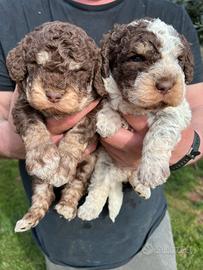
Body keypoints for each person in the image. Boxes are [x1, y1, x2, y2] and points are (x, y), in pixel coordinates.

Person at [0, 0, 203, 269]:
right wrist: (25, 139)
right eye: (137, 58)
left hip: (146, 227)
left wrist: (178, 151)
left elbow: (198, 105)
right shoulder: (10, 11)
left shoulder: (169, 12)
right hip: (61, 237)